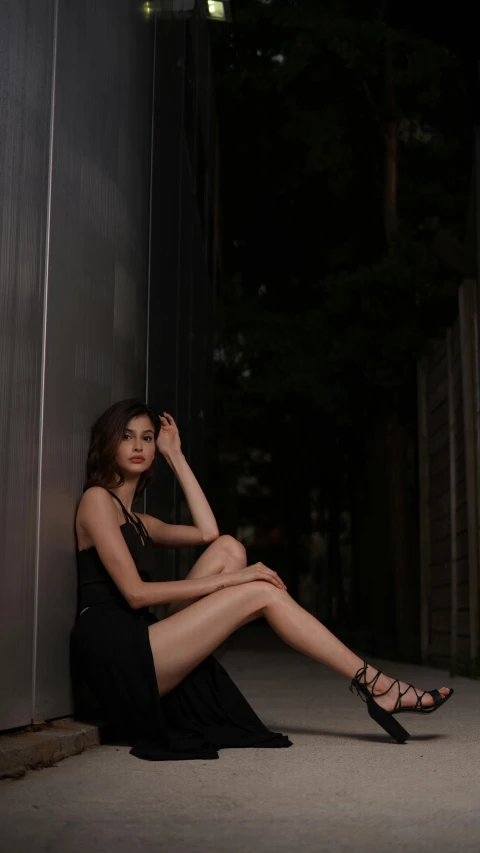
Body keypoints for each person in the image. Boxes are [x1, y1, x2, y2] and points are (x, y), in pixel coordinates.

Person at [71, 399, 453, 761]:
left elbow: (209, 532)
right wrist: (235, 582)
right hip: (116, 653)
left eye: (147, 437)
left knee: (229, 549)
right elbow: (136, 595)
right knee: (258, 591)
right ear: (108, 443)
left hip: (140, 639)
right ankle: (378, 685)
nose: (138, 445)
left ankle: (377, 686)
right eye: (127, 436)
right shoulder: (97, 500)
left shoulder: (140, 520)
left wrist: (177, 456)